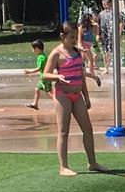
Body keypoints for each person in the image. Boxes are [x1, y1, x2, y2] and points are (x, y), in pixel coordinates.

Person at [47, 22, 111, 176]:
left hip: (77, 96)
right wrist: (57, 76)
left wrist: (86, 96)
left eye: (76, 36)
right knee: (63, 131)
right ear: (62, 36)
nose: (75, 39)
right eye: (71, 36)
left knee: (88, 129)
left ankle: (92, 162)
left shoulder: (77, 52)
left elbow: (81, 76)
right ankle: (63, 167)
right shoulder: (57, 53)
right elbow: (45, 74)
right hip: (63, 95)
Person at [25, 38, 50, 110]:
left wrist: (29, 71)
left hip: (45, 77)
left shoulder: (41, 57)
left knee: (49, 92)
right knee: (37, 89)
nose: (32, 51)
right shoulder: (43, 56)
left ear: (37, 49)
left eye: (33, 49)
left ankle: (59, 103)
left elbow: (39, 68)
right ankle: (35, 104)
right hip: (43, 77)